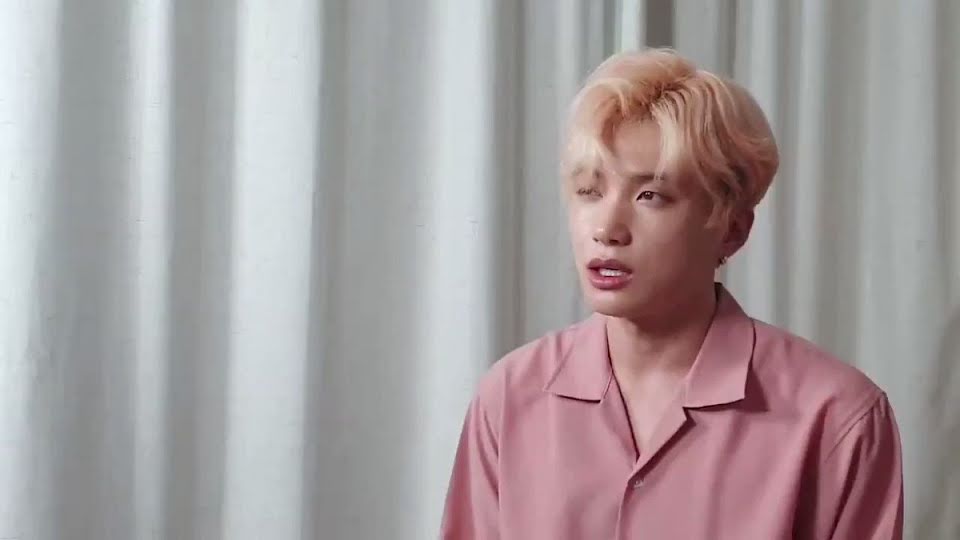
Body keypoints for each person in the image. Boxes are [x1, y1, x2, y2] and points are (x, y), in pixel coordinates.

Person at [440, 49, 903, 539]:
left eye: (650, 196)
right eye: (590, 191)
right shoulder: (509, 398)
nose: (607, 229)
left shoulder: (836, 417)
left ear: (732, 229)